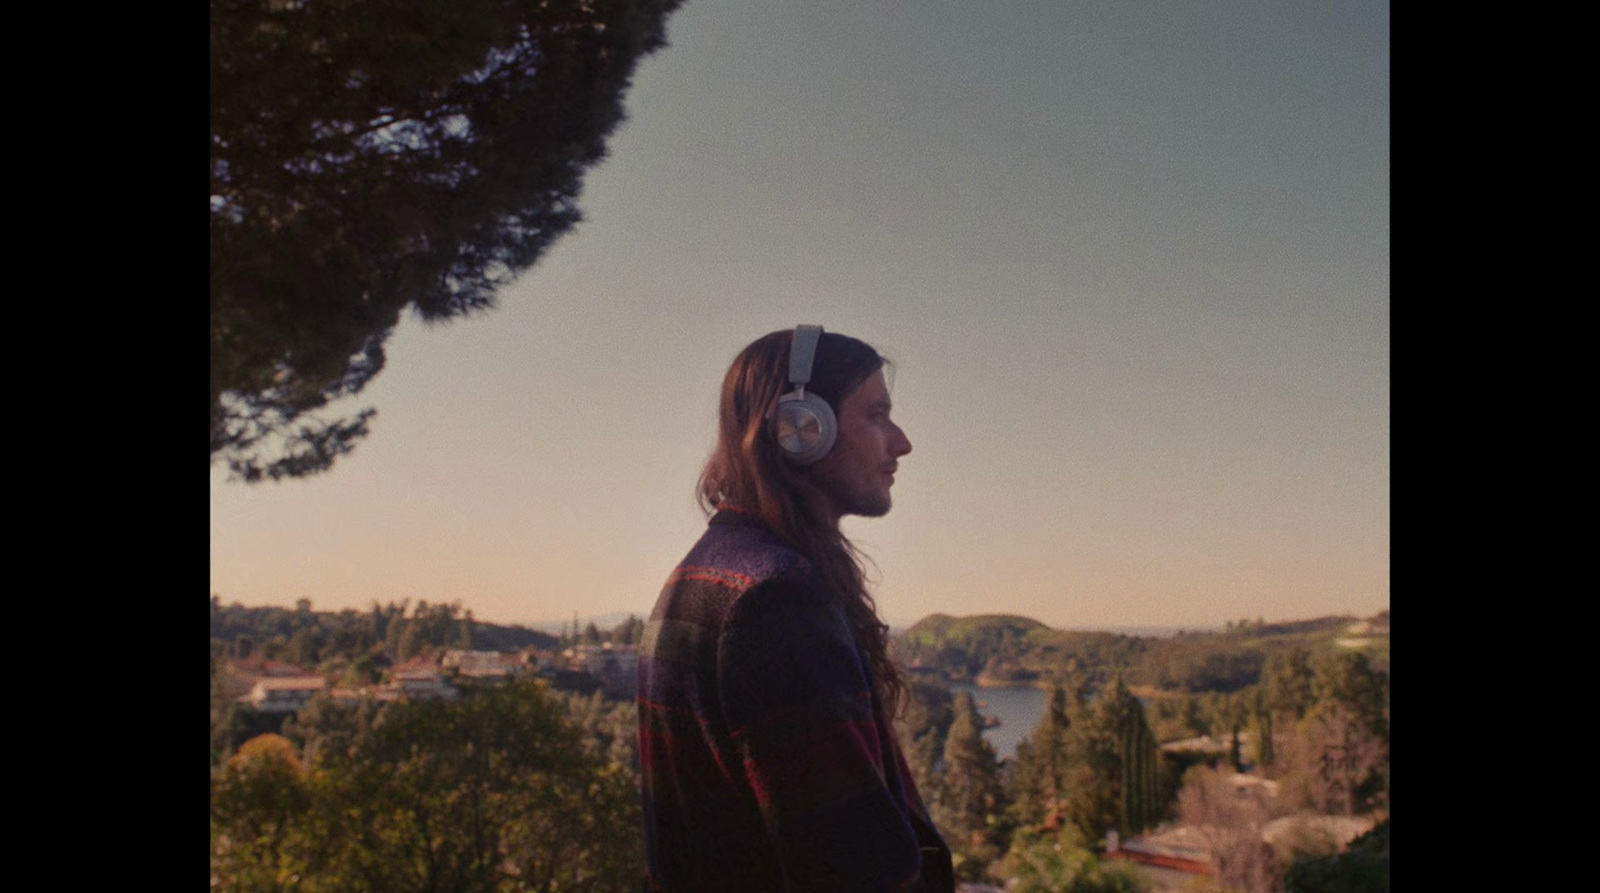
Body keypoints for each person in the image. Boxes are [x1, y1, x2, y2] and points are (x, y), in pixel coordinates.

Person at [638, 326, 954, 892]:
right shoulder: (775, 600)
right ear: (801, 430)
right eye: (877, 415)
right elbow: (855, 870)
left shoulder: (705, 571)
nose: (901, 442)